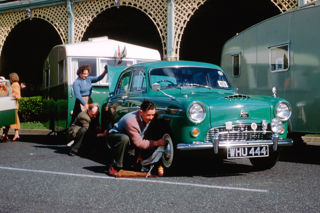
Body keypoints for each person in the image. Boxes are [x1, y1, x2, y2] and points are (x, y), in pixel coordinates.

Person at [106, 100, 167, 177]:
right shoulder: (131, 120)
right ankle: (115, 166)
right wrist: (157, 143)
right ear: (141, 112)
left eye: (153, 115)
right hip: (115, 137)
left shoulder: (149, 118)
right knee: (124, 138)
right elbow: (139, 143)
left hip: (132, 138)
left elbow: (142, 136)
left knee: (132, 165)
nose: (151, 118)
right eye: (148, 115)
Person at [1, 73, 21, 142]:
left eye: (10, 78)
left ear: (13, 78)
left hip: (13, 105)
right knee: (9, 120)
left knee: (11, 119)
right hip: (11, 104)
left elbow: (18, 95)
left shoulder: (15, 84)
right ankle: (7, 134)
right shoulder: (14, 84)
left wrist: (12, 95)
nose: (9, 79)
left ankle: (7, 134)